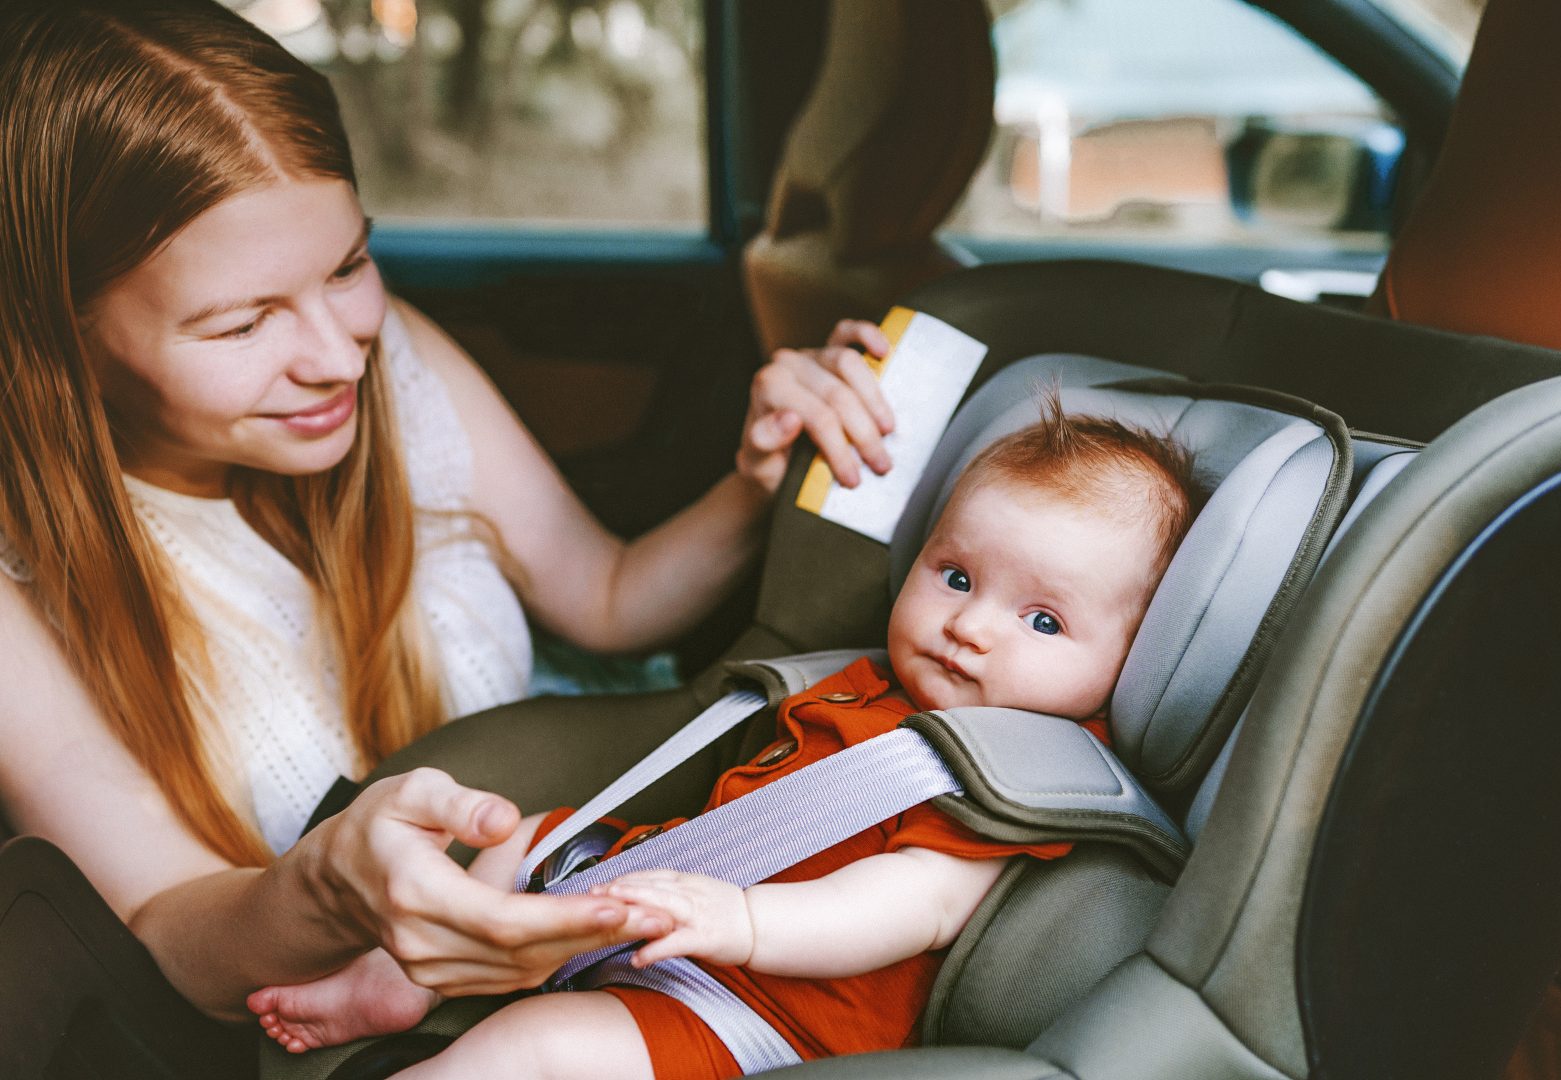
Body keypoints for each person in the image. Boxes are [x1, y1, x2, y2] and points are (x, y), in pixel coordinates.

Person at [0, 0, 897, 1024]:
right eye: (243, 323)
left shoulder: (394, 361)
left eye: (348, 267)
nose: (338, 355)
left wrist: (761, 474)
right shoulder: (19, 576)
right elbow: (161, 918)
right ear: (62, 333)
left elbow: (607, 599)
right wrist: (331, 883)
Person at [248, 399, 1201, 1079]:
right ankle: (390, 984)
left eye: (1042, 621)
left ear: (1132, 654)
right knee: (516, 833)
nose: (972, 625)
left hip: (764, 1012)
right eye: (955, 576)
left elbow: (912, 904)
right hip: (678, 913)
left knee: (526, 1055)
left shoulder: (1017, 774)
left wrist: (740, 924)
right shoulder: (869, 682)